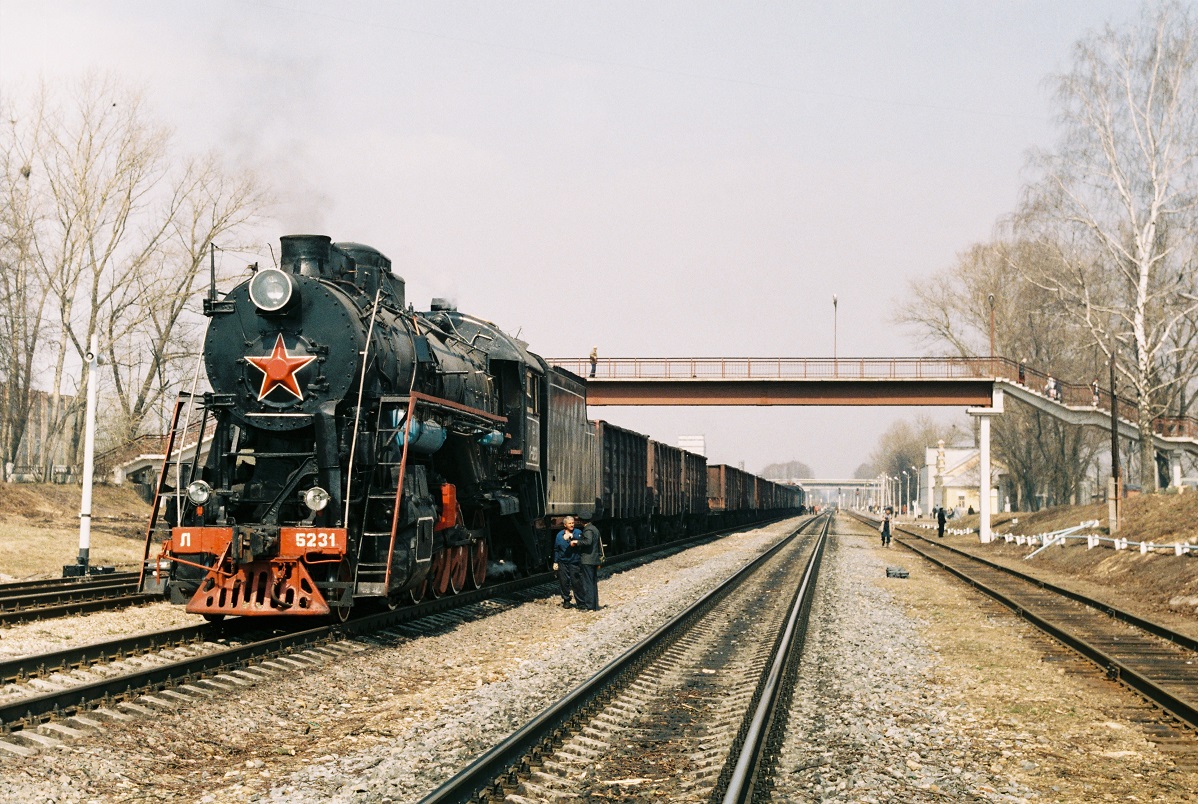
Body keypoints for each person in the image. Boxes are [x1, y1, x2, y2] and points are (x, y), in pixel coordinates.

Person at [572, 518, 603, 610]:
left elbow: (588, 542)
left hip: (587, 560)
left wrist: (576, 542)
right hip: (593, 559)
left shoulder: (588, 529)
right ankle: (594, 605)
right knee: (593, 583)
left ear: (582, 521)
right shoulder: (594, 528)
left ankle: (589, 605)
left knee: (587, 583)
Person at [553, 516, 581, 607]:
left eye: (573, 523)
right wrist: (555, 562)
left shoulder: (577, 532)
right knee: (564, 582)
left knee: (576, 582)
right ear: (565, 525)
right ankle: (566, 600)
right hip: (563, 562)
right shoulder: (559, 535)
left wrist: (572, 537)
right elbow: (556, 549)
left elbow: (581, 539)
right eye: (570, 523)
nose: (572, 525)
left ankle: (580, 602)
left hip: (574, 561)